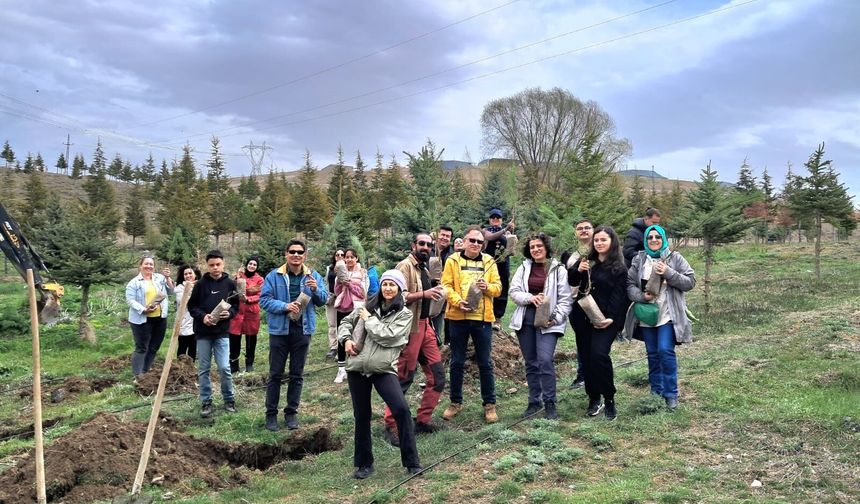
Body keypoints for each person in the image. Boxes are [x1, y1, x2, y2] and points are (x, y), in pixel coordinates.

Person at [338, 269, 422, 479]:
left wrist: (368, 320)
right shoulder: (367, 306)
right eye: (385, 284)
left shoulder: (404, 314)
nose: (388, 288)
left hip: (383, 369)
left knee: (401, 410)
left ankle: (412, 463)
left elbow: (389, 336)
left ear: (400, 289)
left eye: (392, 285)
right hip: (357, 368)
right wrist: (346, 340)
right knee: (362, 415)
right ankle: (364, 464)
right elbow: (346, 322)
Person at [381, 233, 447, 446]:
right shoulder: (405, 266)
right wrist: (424, 294)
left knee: (437, 376)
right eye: (422, 243)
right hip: (409, 329)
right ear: (413, 245)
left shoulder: (424, 268)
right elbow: (396, 295)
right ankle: (391, 425)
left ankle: (423, 420)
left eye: (429, 244)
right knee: (404, 376)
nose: (426, 247)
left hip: (426, 326)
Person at [624, 224, 696, 410]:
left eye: (657, 237)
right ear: (645, 240)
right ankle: (656, 392)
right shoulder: (640, 259)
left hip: (668, 314)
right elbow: (630, 285)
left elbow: (690, 282)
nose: (654, 240)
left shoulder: (674, 258)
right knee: (653, 353)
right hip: (647, 316)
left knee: (665, 350)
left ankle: (671, 394)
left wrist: (668, 273)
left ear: (663, 239)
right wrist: (642, 296)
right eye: (650, 237)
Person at [259, 239, 328, 431]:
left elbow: (323, 300)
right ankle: (271, 415)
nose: (296, 255)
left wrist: (315, 290)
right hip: (279, 330)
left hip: (302, 330)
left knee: (297, 374)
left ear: (305, 255)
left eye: (300, 252)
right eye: (292, 252)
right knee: (275, 374)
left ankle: (291, 414)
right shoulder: (274, 276)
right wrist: (285, 306)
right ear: (286, 254)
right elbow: (264, 300)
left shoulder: (313, 276)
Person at [441, 225, 502, 424]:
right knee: (457, 361)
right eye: (472, 240)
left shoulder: (489, 261)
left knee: (485, 362)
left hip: (482, 320)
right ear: (464, 241)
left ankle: (489, 404)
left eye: (479, 242)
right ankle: (455, 402)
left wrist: (488, 287)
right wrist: (457, 301)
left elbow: (498, 288)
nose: (476, 244)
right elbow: (445, 286)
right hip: (458, 318)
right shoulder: (452, 260)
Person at [567, 226, 628, 421]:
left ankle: (609, 397)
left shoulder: (619, 268)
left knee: (599, 355)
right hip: (583, 315)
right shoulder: (587, 261)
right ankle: (594, 397)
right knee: (586, 358)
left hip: (606, 319)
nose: (599, 243)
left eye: (603, 240)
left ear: (612, 242)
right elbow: (572, 280)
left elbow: (620, 295)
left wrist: (611, 317)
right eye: (597, 240)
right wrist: (577, 270)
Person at [509, 233, 572, 420]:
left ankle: (550, 401)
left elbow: (565, 299)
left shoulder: (558, 269)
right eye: (532, 247)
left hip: (548, 321)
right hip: (526, 319)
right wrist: (530, 298)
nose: (535, 249)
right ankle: (534, 401)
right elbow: (514, 291)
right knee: (531, 362)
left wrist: (556, 318)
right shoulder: (523, 268)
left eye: (539, 246)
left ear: (546, 247)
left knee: (545, 360)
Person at [187, 250, 239, 418]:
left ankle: (229, 399)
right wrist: (203, 317)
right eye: (211, 265)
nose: (215, 268)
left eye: (218, 264)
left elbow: (236, 306)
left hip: (222, 332)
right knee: (204, 369)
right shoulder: (200, 284)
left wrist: (229, 314)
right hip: (203, 333)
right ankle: (206, 401)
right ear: (207, 266)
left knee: (224, 367)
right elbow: (192, 306)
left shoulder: (230, 284)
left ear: (223, 264)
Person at [559, 218, 594, 390]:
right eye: (580, 228)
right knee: (581, 339)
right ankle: (582, 375)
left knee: (597, 340)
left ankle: (597, 372)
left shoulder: (599, 249)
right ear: (576, 232)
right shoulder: (568, 254)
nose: (584, 230)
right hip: (576, 302)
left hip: (597, 301)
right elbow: (564, 278)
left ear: (593, 230)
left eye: (587, 227)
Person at [125, 255, 173, 379]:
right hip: (142, 320)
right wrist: (144, 309)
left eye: (151, 264)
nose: (149, 266)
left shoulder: (160, 278)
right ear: (140, 266)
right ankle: (137, 375)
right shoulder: (134, 282)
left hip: (160, 318)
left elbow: (171, 291)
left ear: (154, 267)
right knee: (141, 347)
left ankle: (145, 371)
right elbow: (130, 300)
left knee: (154, 347)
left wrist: (168, 278)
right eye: (146, 264)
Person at [333, 248, 369, 384]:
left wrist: (350, 285)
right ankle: (341, 369)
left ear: (356, 258)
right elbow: (336, 291)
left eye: (351, 257)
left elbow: (363, 293)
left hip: (357, 308)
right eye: (346, 257)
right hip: (343, 307)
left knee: (358, 335)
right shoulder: (340, 271)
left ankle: (357, 366)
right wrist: (339, 282)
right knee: (342, 336)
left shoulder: (362, 273)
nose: (348, 260)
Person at [228, 257, 264, 374]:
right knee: (234, 339)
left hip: (251, 312)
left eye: (254, 264)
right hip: (238, 311)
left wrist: (248, 299)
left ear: (257, 267)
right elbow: (231, 290)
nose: (252, 266)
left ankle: (249, 364)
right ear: (247, 265)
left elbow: (260, 295)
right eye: (250, 263)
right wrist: (237, 278)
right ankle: (234, 365)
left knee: (250, 339)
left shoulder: (259, 280)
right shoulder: (239, 276)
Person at [483, 208, 516, 327]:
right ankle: (486, 314)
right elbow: (490, 237)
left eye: (498, 217)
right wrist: (505, 229)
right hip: (489, 262)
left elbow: (511, 248)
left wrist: (511, 235)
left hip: (503, 262)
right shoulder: (486, 231)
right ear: (490, 219)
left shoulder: (507, 234)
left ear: (501, 219)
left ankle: (498, 318)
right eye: (493, 217)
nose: (495, 219)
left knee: (503, 287)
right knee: (487, 286)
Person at [431, 225, 455, 346]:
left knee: (439, 323)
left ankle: (440, 346)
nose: (445, 238)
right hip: (426, 292)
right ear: (437, 235)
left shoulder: (452, 254)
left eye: (448, 236)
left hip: (444, 295)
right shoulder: (428, 250)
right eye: (443, 235)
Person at [173, 265, 200, 360]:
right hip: (183, 321)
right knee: (182, 347)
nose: (188, 276)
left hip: (195, 321)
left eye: (190, 273)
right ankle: (180, 366)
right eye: (185, 274)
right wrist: (189, 288)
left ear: (195, 275)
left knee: (193, 348)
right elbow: (184, 301)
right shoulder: (180, 288)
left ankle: (191, 366)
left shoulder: (200, 286)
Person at [324, 249, 345, 360]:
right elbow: (326, 282)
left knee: (341, 324)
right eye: (337, 254)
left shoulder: (347, 268)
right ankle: (333, 347)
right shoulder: (329, 268)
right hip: (331, 299)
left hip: (343, 299)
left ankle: (342, 347)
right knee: (331, 324)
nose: (340, 256)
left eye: (342, 254)